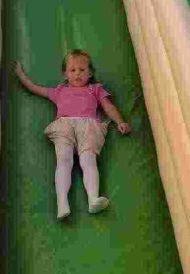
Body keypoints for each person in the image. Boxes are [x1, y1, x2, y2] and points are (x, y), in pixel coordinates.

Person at [13, 50, 131, 219]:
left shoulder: (95, 89)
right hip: (65, 126)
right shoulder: (59, 91)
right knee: (64, 160)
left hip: (88, 126)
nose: (77, 74)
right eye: (72, 70)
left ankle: (93, 199)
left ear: (90, 73)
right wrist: (20, 74)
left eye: (82, 70)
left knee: (88, 160)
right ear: (65, 74)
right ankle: (62, 203)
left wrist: (120, 121)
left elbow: (108, 107)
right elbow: (34, 88)